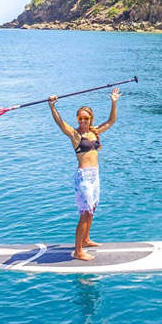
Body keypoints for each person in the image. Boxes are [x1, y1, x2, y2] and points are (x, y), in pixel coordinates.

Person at [49, 87, 121, 261]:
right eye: (79, 118)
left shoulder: (94, 132)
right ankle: (78, 251)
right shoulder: (75, 135)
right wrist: (52, 107)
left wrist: (113, 102)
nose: (82, 121)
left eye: (85, 118)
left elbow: (111, 121)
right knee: (85, 214)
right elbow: (60, 123)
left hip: (95, 176)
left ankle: (86, 240)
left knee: (92, 210)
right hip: (83, 178)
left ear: (90, 119)